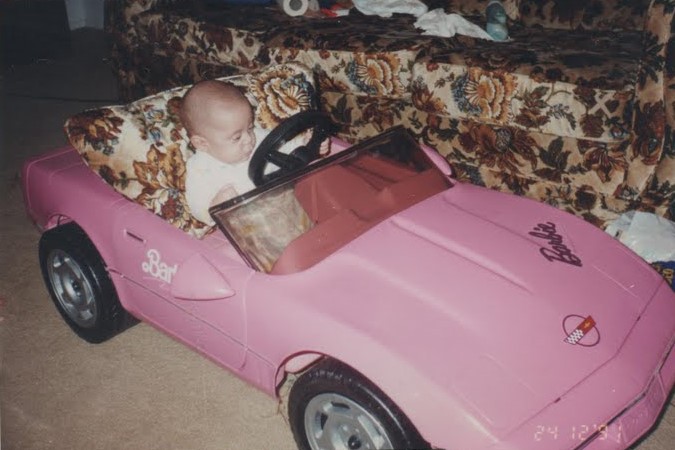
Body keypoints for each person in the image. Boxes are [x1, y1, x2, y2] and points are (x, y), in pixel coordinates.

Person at [181, 80, 258, 225]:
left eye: (250, 128)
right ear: (202, 143)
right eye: (237, 137)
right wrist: (215, 206)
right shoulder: (200, 168)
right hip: (245, 227)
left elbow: (282, 143)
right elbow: (197, 205)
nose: (249, 139)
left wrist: (303, 142)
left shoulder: (254, 137)